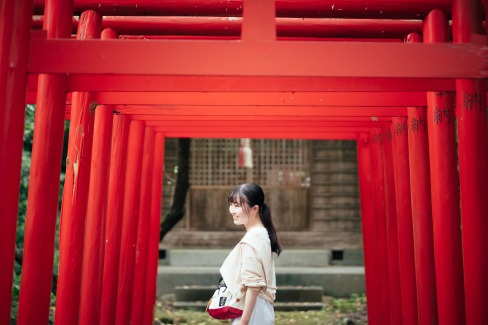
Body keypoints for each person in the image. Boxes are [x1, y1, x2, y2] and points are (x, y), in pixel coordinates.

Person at [219, 183, 282, 325]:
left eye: (237, 205)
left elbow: (253, 284)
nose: (232, 210)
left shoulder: (254, 238)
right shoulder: (262, 234)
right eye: (231, 204)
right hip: (258, 308)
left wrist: (244, 321)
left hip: (253, 310)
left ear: (254, 209)